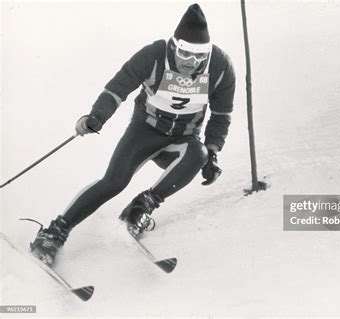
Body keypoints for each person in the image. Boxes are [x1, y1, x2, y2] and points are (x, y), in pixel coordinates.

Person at [29, 3, 235, 266]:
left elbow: (221, 115)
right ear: (174, 46)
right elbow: (118, 87)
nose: (190, 63)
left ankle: (141, 207)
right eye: (184, 54)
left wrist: (214, 151)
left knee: (199, 153)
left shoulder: (219, 67)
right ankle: (54, 232)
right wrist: (97, 117)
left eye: (198, 57)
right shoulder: (155, 55)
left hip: (183, 140)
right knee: (115, 181)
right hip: (144, 132)